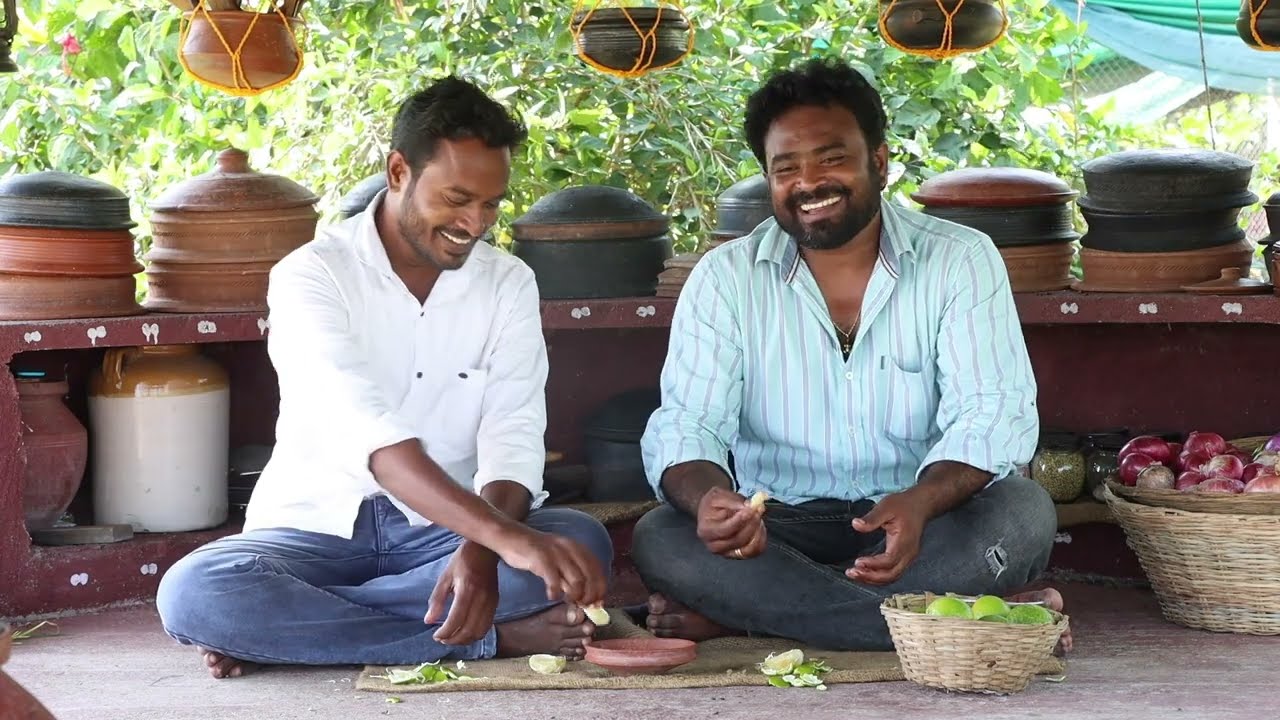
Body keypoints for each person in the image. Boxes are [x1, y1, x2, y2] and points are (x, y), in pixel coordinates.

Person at [156, 76, 612, 679]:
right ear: (399, 171)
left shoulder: (508, 283)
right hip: (314, 531)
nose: (475, 223)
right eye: (456, 199)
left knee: (579, 542)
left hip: (444, 539)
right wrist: (511, 543)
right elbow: (373, 439)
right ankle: (486, 640)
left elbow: (514, 437)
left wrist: (484, 547)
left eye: (491, 204)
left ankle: (298, 634)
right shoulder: (312, 274)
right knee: (196, 594)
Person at [632, 57, 1068, 653]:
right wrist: (710, 500)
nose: (809, 183)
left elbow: (993, 414)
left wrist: (920, 502)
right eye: (786, 168)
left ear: (880, 162)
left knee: (1023, 512)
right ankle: (962, 615)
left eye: (832, 158)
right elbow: (688, 424)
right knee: (663, 535)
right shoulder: (725, 278)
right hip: (777, 529)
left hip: (924, 520)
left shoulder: (961, 259)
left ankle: (757, 617)